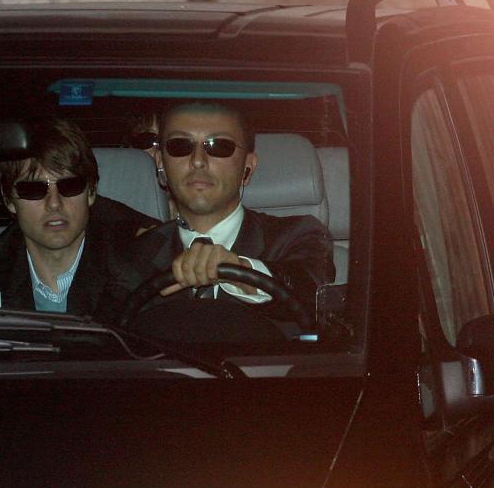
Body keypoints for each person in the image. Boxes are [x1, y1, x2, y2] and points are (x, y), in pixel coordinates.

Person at [100, 102, 334, 324]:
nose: (198, 161)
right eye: (180, 146)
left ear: (247, 167)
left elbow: (312, 292)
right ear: (161, 163)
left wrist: (240, 270)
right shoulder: (133, 254)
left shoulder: (299, 235)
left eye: (219, 146)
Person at [0, 118, 148, 314]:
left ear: (91, 192)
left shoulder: (137, 266)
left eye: (70, 185)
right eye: (33, 189)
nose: (54, 203)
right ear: (9, 199)